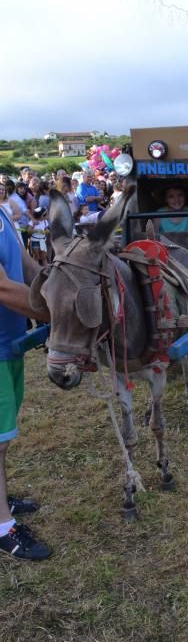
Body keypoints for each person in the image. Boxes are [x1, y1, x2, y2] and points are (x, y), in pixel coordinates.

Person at [0, 206, 51, 560]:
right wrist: (61, 312)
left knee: (2, 436)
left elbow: (27, 266)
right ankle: (3, 526)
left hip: (9, 341)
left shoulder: (2, 213)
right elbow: (2, 288)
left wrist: (54, 282)